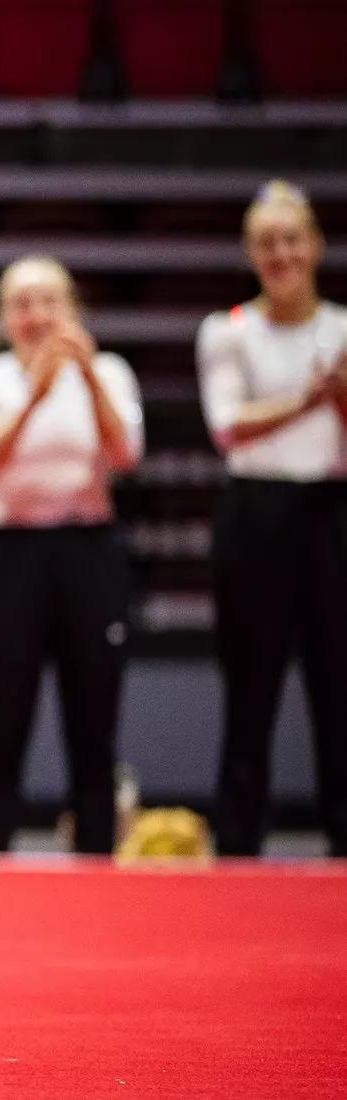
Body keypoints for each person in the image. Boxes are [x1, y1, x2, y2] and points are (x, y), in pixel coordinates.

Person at [0, 255, 145, 855]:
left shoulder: (108, 371)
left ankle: (95, 856)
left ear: (73, 310)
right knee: (3, 719)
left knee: (94, 722)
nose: (36, 316)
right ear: (2, 317)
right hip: (12, 553)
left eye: (49, 302)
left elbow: (126, 455)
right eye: (21, 304)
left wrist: (83, 379)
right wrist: (33, 393)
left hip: (88, 548)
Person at [199, 181, 347, 858]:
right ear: (250, 254)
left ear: (315, 245)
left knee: (338, 680)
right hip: (256, 514)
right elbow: (228, 426)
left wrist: (336, 404)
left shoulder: (343, 328)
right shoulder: (229, 328)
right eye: (265, 243)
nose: (280, 253)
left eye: (291, 239)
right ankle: (238, 836)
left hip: (331, 512)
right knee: (249, 683)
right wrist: (311, 397)